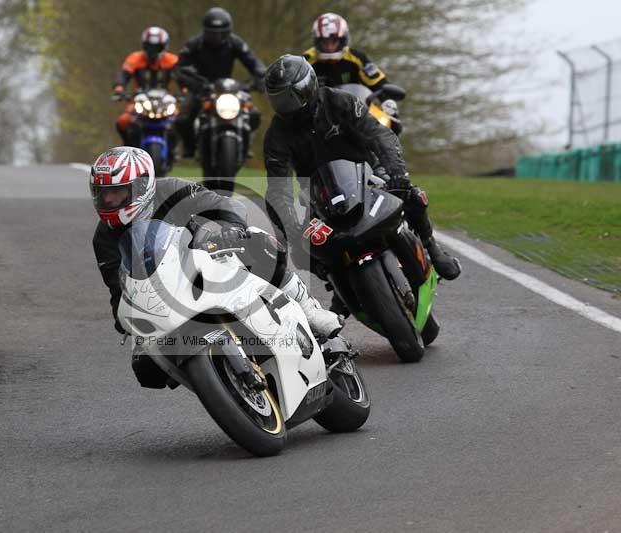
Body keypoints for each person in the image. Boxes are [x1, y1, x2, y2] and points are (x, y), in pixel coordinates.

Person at [91, 146, 343, 388]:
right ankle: (217, 380)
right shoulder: (103, 238)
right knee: (146, 369)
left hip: (203, 262)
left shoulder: (170, 189)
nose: (109, 199)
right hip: (162, 299)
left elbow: (218, 203)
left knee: (258, 243)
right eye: (103, 193)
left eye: (118, 191)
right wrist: (127, 322)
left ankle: (308, 310)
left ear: (142, 185)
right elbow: (118, 287)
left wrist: (231, 228)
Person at [261, 55, 461, 295]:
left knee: (413, 195)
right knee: (301, 249)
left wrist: (397, 174)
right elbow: (278, 188)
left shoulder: (340, 101)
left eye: (291, 97)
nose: (287, 106)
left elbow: (380, 135)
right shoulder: (276, 135)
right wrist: (291, 226)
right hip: (318, 194)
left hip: (368, 171)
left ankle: (432, 246)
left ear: (309, 86)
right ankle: (340, 287)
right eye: (280, 100)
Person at [174, 7, 267, 158]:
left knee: (254, 114)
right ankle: (190, 147)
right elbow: (180, 66)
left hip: (228, 88)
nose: (216, 37)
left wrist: (261, 76)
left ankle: (246, 143)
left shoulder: (235, 43)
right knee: (182, 117)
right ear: (205, 31)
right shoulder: (195, 44)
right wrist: (190, 80)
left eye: (220, 33)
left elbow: (253, 61)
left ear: (227, 32)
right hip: (200, 88)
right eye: (211, 33)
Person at [112, 26, 180, 146]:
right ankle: (127, 147)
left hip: (165, 101)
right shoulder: (135, 59)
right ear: (144, 46)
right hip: (139, 100)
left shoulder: (172, 61)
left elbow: (183, 78)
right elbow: (123, 75)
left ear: (164, 46)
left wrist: (186, 91)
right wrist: (119, 88)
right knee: (123, 122)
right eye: (150, 47)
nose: (153, 51)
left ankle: (174, 151)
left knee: (181, 122)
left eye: (157, 47)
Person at [303, 13, 388, 90]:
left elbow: (378, 82)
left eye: (334, 41)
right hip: (318, 106)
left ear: (342, 40)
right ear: (317, 41)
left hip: (354, 105)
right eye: (325, 42)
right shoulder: (305, 61)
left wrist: (388, 101)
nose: (329, 47)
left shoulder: (357, 57)